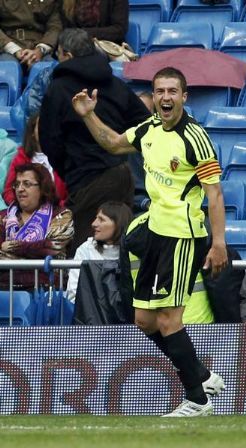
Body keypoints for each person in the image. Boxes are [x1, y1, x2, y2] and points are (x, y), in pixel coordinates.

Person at [72, 66, 228, 417]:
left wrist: (219, 243)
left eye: (173, 91)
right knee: (144, 319)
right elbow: (113, 143)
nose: (166, 97)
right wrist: (89, 115)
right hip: (156, 233)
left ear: (184, 97)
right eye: (160, 91)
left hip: (183, 236)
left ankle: (197, 400)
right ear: (154, 96)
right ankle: (201, 375)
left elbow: (214, 194)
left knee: (170, 319)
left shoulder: (196, 138)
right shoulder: (148, 129)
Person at [39, 28, 150, 252]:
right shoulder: (116, 84)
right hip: (122, 175)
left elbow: (50, 140)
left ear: (67, 55)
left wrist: (69, 170)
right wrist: (121, 145)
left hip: (87, 179)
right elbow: (146, 123)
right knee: (117, 249)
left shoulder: (59, 88)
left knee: (84, 251)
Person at [0, 163, 73, 289]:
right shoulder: (3, 216)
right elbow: (42, 248)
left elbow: (52, 247)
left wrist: (12, 247)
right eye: (17, 184)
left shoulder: (61, 215)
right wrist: (34, 253)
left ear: (43, 187)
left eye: (27, 184)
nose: (20, 189)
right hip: (5, 288)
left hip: (45, 289)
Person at [66, 201, 132, 302]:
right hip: (91, 316)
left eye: (101, 220)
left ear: (118, 224)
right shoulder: (85, 250)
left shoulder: (134, 251)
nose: (94, 224)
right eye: (96, 218)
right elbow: (73, 294)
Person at [3, 113, 68, 208]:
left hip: (58, 213)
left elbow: (72, 193)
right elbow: (9, 191)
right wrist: (23, 207)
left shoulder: (66, 157)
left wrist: (55, 208)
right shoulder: (20, 158)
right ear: (33, 132)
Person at [0, 0, 61, 68]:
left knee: (49, 69)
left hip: (40, 47)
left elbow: (55, 27)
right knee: (7, 69)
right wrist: (14, 49)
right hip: (8, 47)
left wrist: (40, 50)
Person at [60, 0, 128, 44]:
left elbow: (119, 29)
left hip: (107, 45)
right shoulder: (67, 2)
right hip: (76, 45)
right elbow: (65, 28)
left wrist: (84, 33)